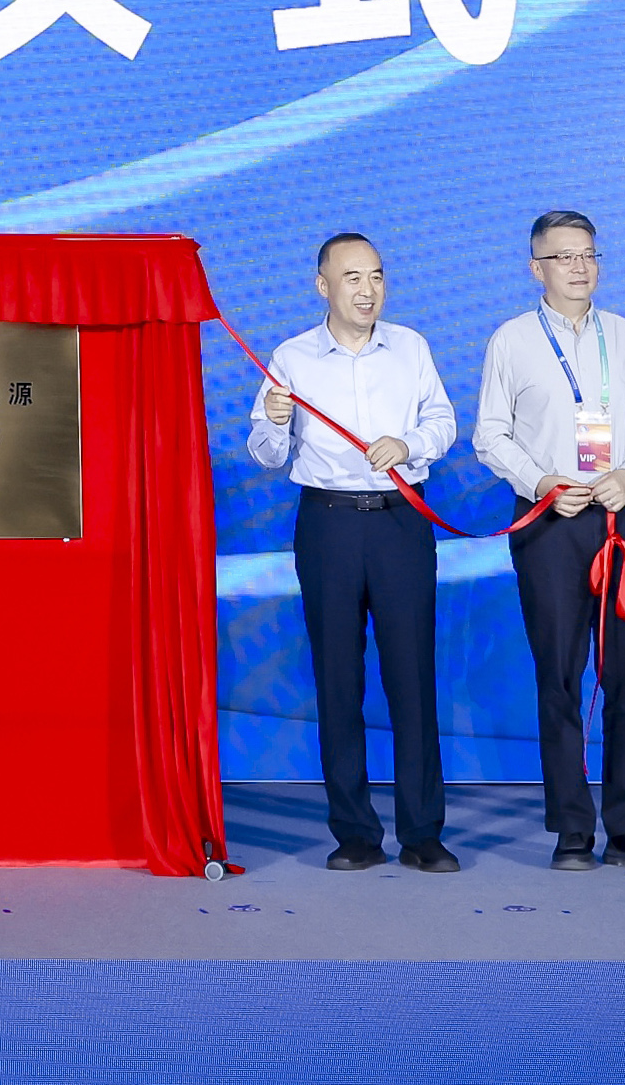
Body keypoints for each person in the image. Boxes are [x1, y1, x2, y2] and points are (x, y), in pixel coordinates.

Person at [249, 233, 460, 874]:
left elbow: (444, 421)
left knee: (412, 677)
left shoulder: (411, 347)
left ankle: (422, 833)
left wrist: (409, 444)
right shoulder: (291, 358)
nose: (368, 291)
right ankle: (355, 833)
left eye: (376, 276)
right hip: (329, 526)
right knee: (338, 679)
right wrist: (276, 420)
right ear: (323, 286)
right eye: (352, 278)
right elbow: (266, 454)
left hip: (400, 522)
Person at [475, 210, 625, 872]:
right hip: (551, 522)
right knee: (559, 676)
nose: (580, 267)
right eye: (564, 257)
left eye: (589, 254)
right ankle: (571, 830)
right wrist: (540, 483)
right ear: (537, 268)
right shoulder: (512, 340)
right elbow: (490, 435)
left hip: (622, 517)